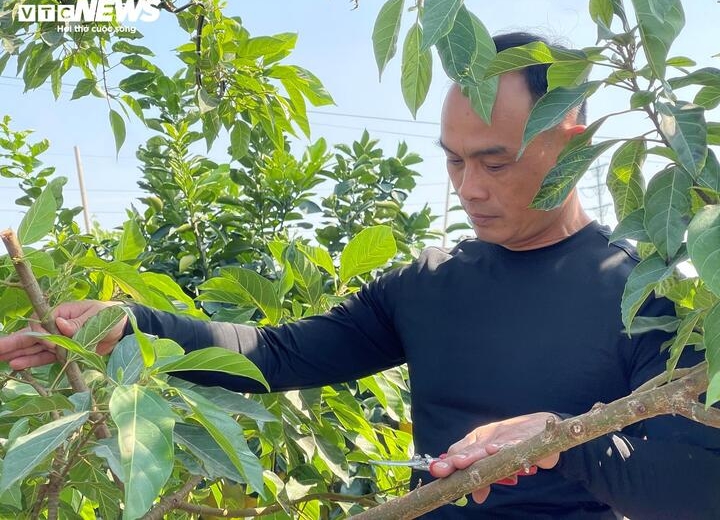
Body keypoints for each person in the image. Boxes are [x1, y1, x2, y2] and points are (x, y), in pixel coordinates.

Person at [2, 32, 719, 519]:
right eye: (453, 160)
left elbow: (701, 485)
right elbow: (276, 352)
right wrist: (133, 326)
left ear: (576, 139)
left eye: (494, 161)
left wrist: (565, 437)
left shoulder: (651, 296)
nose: (468, 187)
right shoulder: (427, 284)